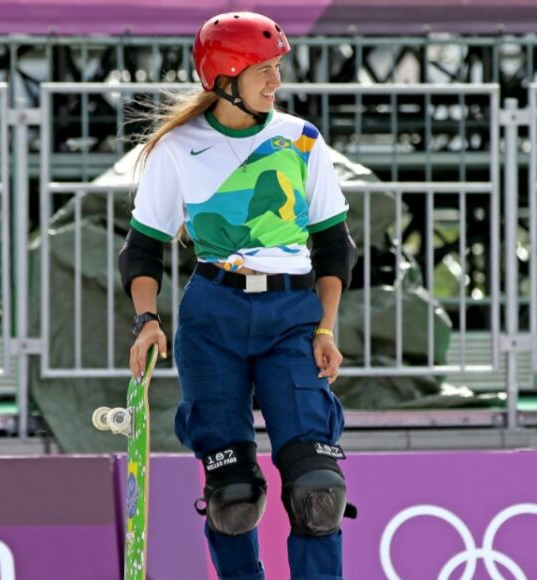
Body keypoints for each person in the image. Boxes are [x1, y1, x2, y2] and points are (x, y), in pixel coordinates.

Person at [118, 11, 359, 580]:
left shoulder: (301, 140)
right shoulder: (178, 149)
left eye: (277, 70)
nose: (276, 83)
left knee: (316, 488)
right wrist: (147, 320)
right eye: (264, 71)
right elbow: (143, 250)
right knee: (232, 497)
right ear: (226, 75)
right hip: (214, 316)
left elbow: (334, 247)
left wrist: (326, 328)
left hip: (291, 314)